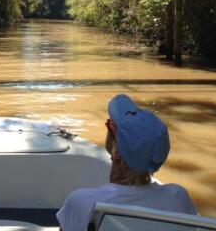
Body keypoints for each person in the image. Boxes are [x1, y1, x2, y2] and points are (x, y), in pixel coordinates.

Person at [56, 94, 197, 231]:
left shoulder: (82, 203)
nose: (108, 127)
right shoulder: (178, 198)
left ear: (117, 152)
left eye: (110, 126)